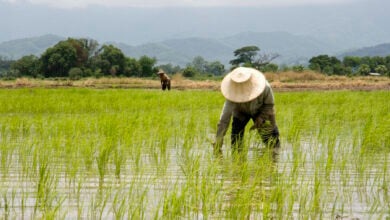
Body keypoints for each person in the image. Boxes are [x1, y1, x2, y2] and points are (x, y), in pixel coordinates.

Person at [213, 67, 280, 154]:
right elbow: (224, 119)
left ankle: (273, 159)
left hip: (262, 110)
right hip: (241, 112)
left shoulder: (265, 87)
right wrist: (219, 139)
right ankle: (238, 161)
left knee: (271, 140)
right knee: (236, 140)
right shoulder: (231, 94)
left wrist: (261, 117)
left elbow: (269, 104)